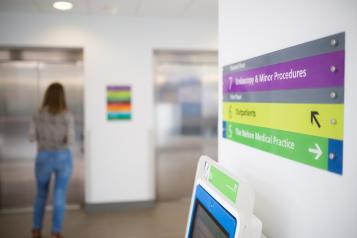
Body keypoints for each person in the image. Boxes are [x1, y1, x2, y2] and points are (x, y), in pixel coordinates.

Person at [29, 82, 75, 238]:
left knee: (41, 194)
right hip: (63, 156)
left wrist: (44, 138)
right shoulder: (67, 114)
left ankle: (36, 229)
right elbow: (71, 140)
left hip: (43, 156)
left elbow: (30, 137)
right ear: (63, 96)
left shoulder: (37, 113)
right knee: (59, 195)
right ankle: (56, 232)